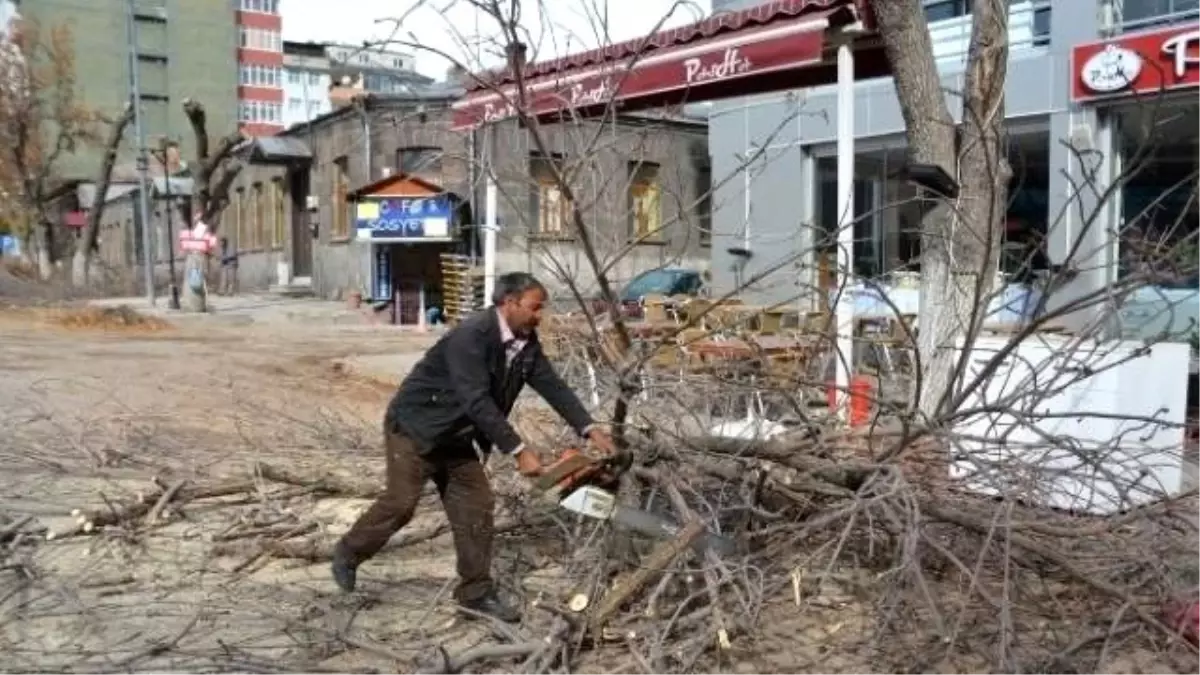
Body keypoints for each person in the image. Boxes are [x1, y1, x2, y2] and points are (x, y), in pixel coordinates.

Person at [331, 272, 616, 622]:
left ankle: (474, 594)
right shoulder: (472, 335)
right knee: (402, 503)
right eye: (534, 307)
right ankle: (349, 551)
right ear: (509, 303)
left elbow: (552, 385)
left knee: (477, 507)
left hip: (457, 437)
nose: (540, 314)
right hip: (415, 429)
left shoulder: (526, 342)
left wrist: (588, 428)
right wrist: (518, 449)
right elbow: (476, 400)